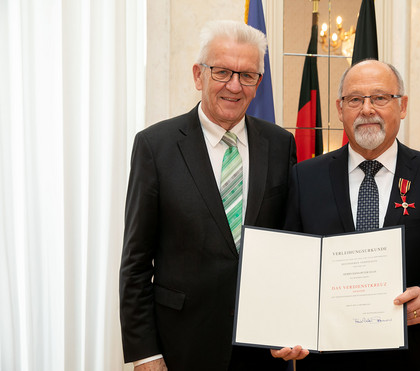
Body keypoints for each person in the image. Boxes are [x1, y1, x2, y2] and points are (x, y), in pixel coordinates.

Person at [271, 60, 420, 370]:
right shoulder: (305, 177)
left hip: (410, 359)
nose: (367, 109)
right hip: (327, 360)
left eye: (380, 98)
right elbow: (289, 266)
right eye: (355, 99)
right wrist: (288, 326)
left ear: (402, 105)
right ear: (340, 109)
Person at [119, 20, 296, 371]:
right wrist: (144, 353)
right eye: (222, 72)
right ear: (199, 75)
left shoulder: (280, 144)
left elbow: (289, 246)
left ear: (259, 83)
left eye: (247, 75)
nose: (234, 85)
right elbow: (136, 262)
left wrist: (292, 324)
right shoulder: (155, 146)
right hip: (181, 346)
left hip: (262, 349)